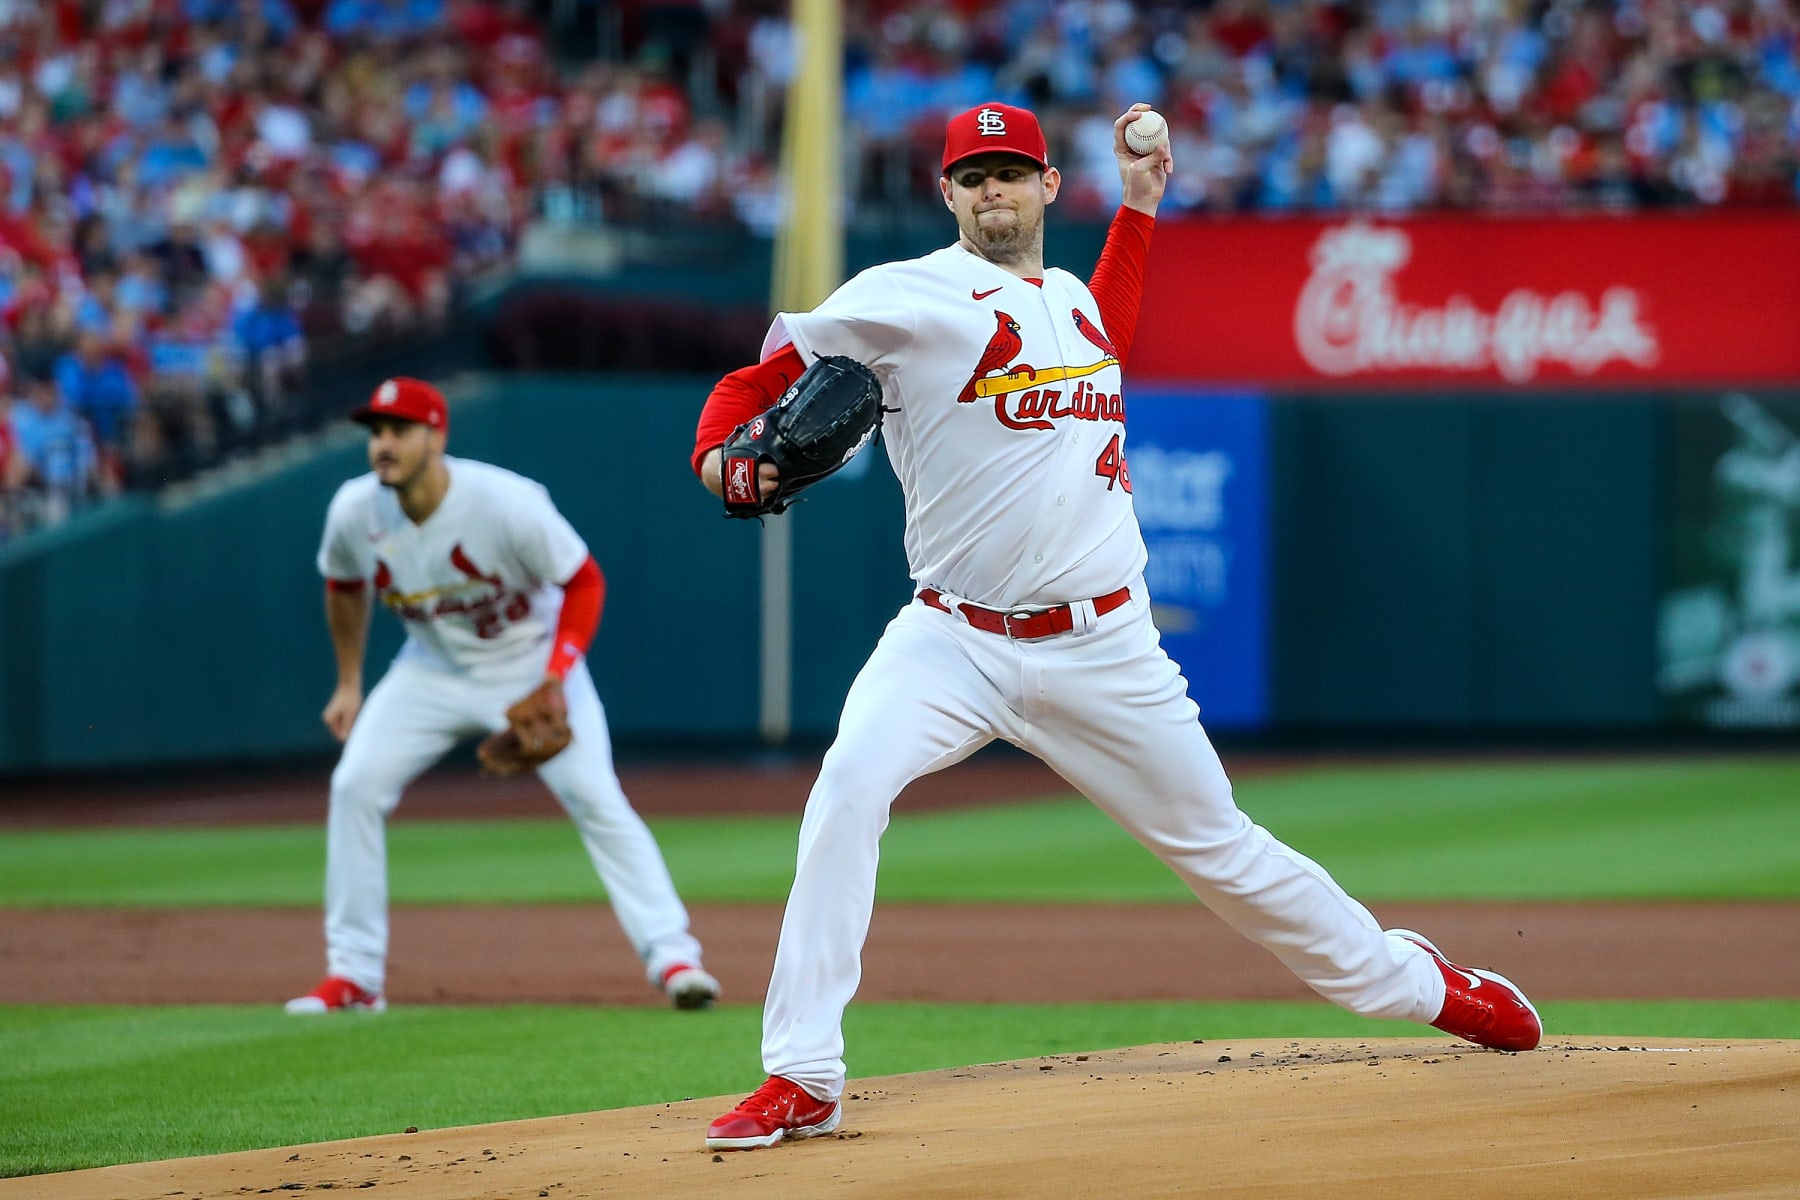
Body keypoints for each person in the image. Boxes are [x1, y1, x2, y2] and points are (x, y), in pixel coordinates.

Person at [688, 102, 1541, 1151]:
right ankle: (803, 1074)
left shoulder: (1073, 304)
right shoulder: (898, 296)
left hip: (1104, 647)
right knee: (847, 787)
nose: (992, 189)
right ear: (947, 195)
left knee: (1225, 853)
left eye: (1011, 171)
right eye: (973, 176)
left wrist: (1139, 207)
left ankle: (1423, 987)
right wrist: (720, 454)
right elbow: (755, 381)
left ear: (1048, 186)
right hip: (952, 639)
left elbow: (1109, 330)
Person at [288, 376, 719, 1014]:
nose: (384, 443)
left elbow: (584, 581)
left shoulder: (506, 503)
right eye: (377, 431)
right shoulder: (356, 510)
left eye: (400, 430)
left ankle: (673, 956)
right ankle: (355, 978)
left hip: (532, 666)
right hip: (430, 669)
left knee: (596, 797)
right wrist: (349, 681)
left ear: (437, 436)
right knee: (355, 786)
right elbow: (344, 588)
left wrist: (556, 675)